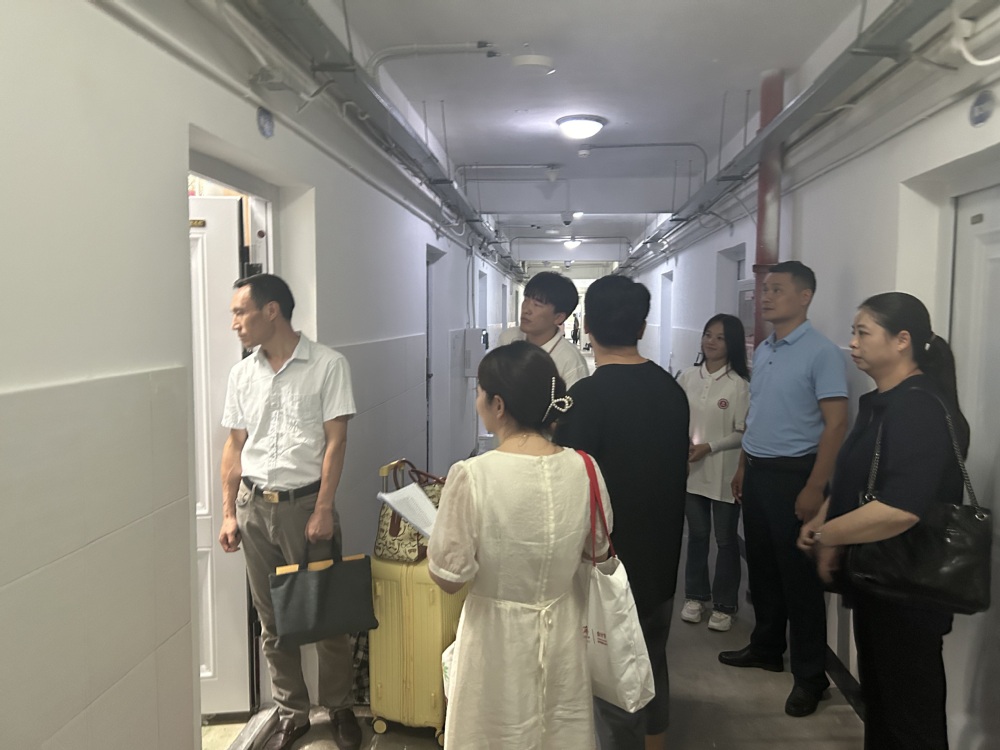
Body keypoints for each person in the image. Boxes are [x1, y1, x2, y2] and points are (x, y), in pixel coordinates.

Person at [798, 292, 969, 749]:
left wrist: (827, 535)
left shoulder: (918, 408)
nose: (852, 343)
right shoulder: (885, 401)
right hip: (879, 581)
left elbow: (899, 508)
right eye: (853, 332)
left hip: (907, 589)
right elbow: (856, 478)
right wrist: (825, 513)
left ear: (902, 340)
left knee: (909, 716)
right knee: (884, 703)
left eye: (863, 332)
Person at [428, 340, 613, 749]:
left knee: (494, 733)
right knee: (559, 729)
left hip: (494, 638)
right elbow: (597, 551)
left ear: (498, 405)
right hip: (563, 628)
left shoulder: (472, 475)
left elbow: (449, 577)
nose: (476, 399)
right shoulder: (584, 468)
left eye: (479, 391)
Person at [218, 274, 362, 750]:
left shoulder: (327, 365)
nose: (235, 323)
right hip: (255, 507)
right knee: (273, 622)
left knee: (326, 614)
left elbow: (336, 442)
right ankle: (291, 711)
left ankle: (339, 706)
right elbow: (234, 446)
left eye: (240, 312)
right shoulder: (243, 375)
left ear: (271, 311)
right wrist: (228, 512)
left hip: (306, 507)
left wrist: (324, 508)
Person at [555, 275, 689, 750]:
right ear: (642, 326)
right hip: (662, 551)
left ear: (587, 325)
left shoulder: (584, 399)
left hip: (606, 559)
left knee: (610, 666)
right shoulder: (672, 391)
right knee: (651, 654)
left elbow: (569, 485)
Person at [718, 260, 848, 718]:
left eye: (777, 289)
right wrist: (743, 465)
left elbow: (836, 425)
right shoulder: (767, 348)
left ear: (805, 296)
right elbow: (758, 414)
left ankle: (811, 677)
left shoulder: (821, 353)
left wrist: (815, 487)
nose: (766, 297)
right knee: (764, 569)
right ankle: (767, 648)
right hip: (757, 471)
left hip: (796, 476)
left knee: (800, 581)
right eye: (765, 289)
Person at [677, 314, 750, 633]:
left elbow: (742, 432)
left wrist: (709, 446)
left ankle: (724, 605)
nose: (711, 341)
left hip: (724, 473)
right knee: (697, 536)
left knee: (725, 540)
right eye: (708, 334)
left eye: (720, 337)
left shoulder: (739, 385)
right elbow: (677, 418)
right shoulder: (687, 376)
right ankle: (695, 596)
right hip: (692, 472)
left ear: (732, 343)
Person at [498, 271, 589, 388]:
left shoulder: (571, 361)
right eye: (526, 300)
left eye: (537, 305)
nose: (526, 310)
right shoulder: (507, 338)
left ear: (558, 317)